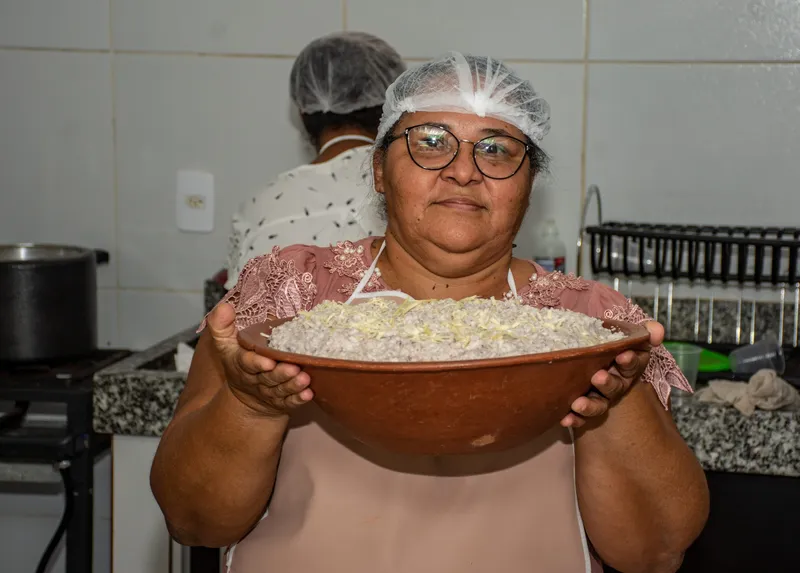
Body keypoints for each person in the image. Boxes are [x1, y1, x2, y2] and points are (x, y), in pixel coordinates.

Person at [152, 53, 709, 573]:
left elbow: (656, 552)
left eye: (496, 149)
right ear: (378, 170)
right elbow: (193, 520)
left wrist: (618, 396)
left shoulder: (591, 323)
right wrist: (250, 406)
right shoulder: (285, 295)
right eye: (431, 142)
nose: (463, 171)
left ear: (528, 183)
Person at [224, 31, 406, 290]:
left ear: (302, 110)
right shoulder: (413, 186)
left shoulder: (261, 207)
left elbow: (239, 314)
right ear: (393, 107)